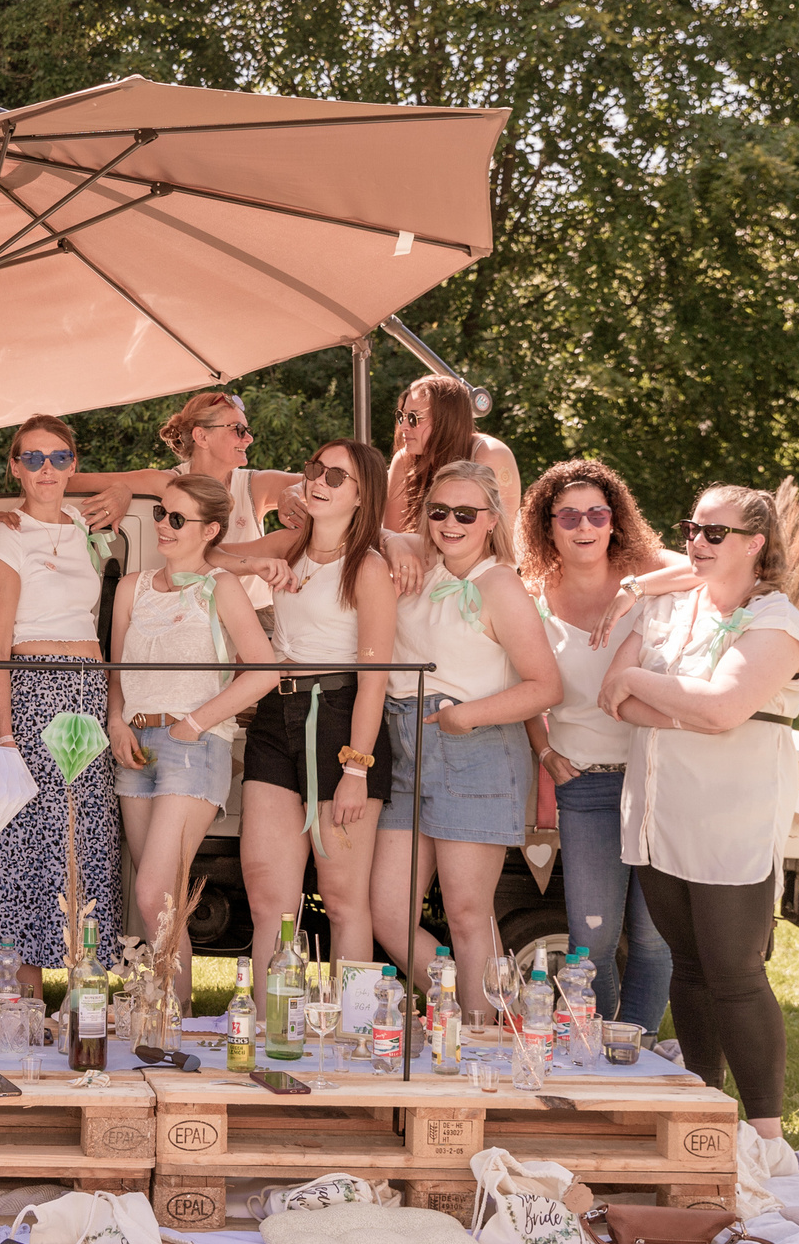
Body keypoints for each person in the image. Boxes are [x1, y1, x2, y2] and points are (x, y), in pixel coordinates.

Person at [598, 479, 799, 1140]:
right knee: (688, 964)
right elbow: (613, 699)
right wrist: (673, 702)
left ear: (755, 543)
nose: (695, 542)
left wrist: (643, 683)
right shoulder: (672, 607)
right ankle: (704, 1109)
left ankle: (765, 1132)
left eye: (713, 532)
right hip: (659, 813)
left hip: (730, 818)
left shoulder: (776, 623)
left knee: (736, 972)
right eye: (692, 528)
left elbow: (720, 708)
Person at [371, 460, 561, 1014]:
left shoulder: (498, 583)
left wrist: (468, 716)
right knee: (388, 913)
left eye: (465, 513)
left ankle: (482, 1038)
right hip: (404, 746)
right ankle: (479, 1011)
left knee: (467, 912)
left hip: (473, 746)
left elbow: (546, 685)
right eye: (438, 511)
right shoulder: (419, 564)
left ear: (490, 519)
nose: (450, 522)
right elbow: (360, 526)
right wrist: (394, 537)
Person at [515, 459, 683, 1031]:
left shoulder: (646, 577)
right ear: (548, 526)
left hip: (655, 779)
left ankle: (637, 1052)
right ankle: (605, 1037)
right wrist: (542, 750)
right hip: (583, 783)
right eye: (568, 516)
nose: (583, 526)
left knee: (653, 938)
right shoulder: (531, 595)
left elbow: (713, 572)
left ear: (614, 521)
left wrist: (634, 587)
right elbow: (524, 690)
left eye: (596, 513)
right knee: (591, 939)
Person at [106, 473, 279, 1003]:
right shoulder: (132, 586)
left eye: (177, 518)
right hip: (135, 745)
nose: (163, 525)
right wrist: (115, 722)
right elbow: (116, 669)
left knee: (153, 889)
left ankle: (163, 1013)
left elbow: (264, 671)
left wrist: (196, 722)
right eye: (161, 513)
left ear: (210, 530)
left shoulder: (220, 586)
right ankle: (166, 1018)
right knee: (162, 899)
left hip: (195, 744)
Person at [235, 440, 397, 972]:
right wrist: (260, 561)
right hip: (273, 719)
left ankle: (352, 1041)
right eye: (315, 470)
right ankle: (262, 1037)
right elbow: (211, 555)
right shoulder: (289, 544)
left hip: (341, 720)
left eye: (336, 476)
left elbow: (374, 681)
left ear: (362, 495)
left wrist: (356, 766)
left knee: (343, 898)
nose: (319, 482)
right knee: (268, 899)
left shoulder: (369, 567)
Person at [0, 415, 119, 1001]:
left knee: (86, 836)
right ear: (14, 467)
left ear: (74, 465)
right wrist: (4, 733)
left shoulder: (84, 523)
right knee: (22, 838)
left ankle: (78, 981)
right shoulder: (6, 535)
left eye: (59, 458)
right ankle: (14, 984)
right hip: (34, 692)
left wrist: (110, 706)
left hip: (87, 691)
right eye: (32, 459)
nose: (47, 470)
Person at [63, 391, 301, 609]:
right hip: (191, 618)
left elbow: (324, 481)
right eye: (238, 429)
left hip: (256, 614)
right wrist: (122, 489)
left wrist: (294, 492)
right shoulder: (167, 482)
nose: (248, 439)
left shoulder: (254, 486)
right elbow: (68, 481)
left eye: (248, 431)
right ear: (201, 436)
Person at [382, 375, 523, 543]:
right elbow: (393, 540)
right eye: (401, 416)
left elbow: (499, 540)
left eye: (414, 418)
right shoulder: (405, 460)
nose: (403, 426)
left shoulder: (490, 454)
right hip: (420, 565)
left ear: (447, 420)